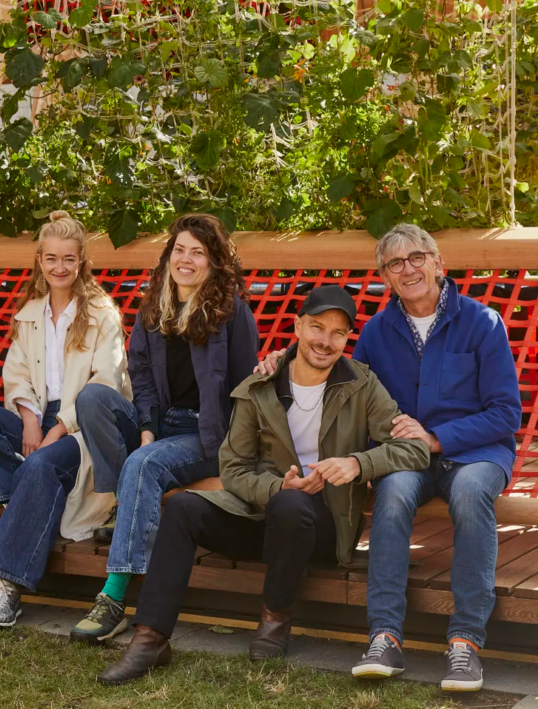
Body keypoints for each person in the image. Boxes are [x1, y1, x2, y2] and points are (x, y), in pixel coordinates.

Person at [97, 285, 429, 685]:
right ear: (297, 326)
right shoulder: (260, 386)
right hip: (263, 515)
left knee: (291, 507)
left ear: (347, 339)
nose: (325, 341)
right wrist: (274, 487)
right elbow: (232, 467)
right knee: (184, 507)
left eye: (338, 333)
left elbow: (413, 450)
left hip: (323, 528)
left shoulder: (362, 385)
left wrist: (357, 463)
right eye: (317, 327)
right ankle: (150, 639)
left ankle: (275, 620)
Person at [256, 225, 522, 690]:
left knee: (470, 491)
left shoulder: (483, 322)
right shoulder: (378, 331)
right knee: (393, 493)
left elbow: (505, 414)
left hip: (475, 451)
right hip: (406, 457)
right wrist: (280, 362)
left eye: (417, 257)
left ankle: (465, 643)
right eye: (395, 263)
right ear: (385, 276)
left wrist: (436, 437)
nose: (409, 269)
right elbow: (338, 375)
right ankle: (384, 636)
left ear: (438, 263)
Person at [68, 214, 259, 645]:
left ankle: (113, 598)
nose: (186, 260)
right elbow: (143, 377)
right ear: (169, 256)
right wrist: (149, 429)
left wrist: (237, 452)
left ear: (213, 262)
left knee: (144, 462)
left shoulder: (233, 314)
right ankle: (130, 503)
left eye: (198, 252)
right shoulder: (154, 308)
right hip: (163, 425)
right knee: (91, 399)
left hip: (208, 434)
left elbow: (246, 389)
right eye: (180, 250)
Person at [0, 210, 131, 628]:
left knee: (44, 462)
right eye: (51, 259)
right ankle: (14, 499)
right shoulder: (30, 312)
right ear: (40, 261)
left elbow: (105, 383)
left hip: (80, 425)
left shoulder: (102, 314)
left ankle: (7, 587)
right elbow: (17, 376)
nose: (59, 268)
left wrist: (55, 429)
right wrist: (30, 421)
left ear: (82, 261)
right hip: (38, 418)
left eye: (68, 259)